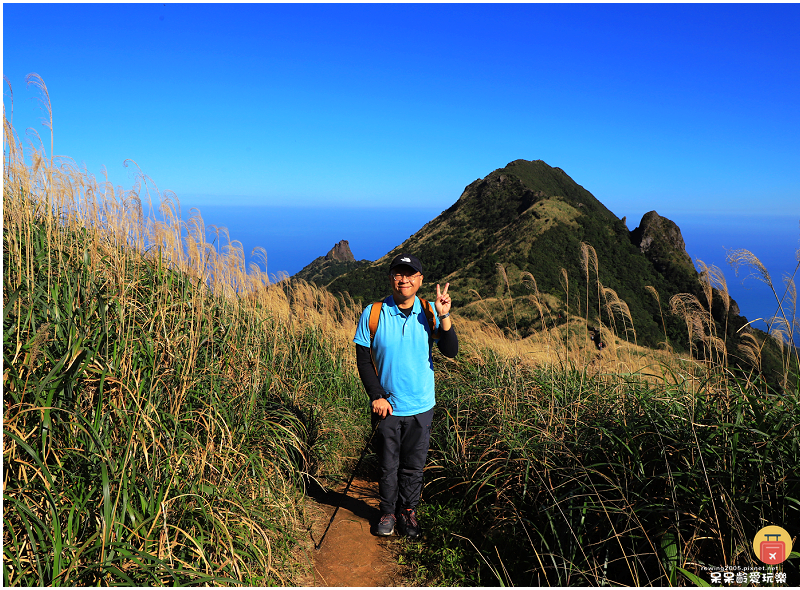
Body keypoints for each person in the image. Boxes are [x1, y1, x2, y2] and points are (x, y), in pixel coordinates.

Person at [353, 253, 458, 538]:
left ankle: (407, 511)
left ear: (420, 280)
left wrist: (445, 313)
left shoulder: (429, 311)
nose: (404, 279)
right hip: (386, 405)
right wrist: (376, 395)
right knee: (387, 464)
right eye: (399, 274)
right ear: (391, 279)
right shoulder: (373, 313)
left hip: (421, 405)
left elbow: (450, 350)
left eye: (410, 274)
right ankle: (387, 511)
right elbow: (363, 358)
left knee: (413, 465)